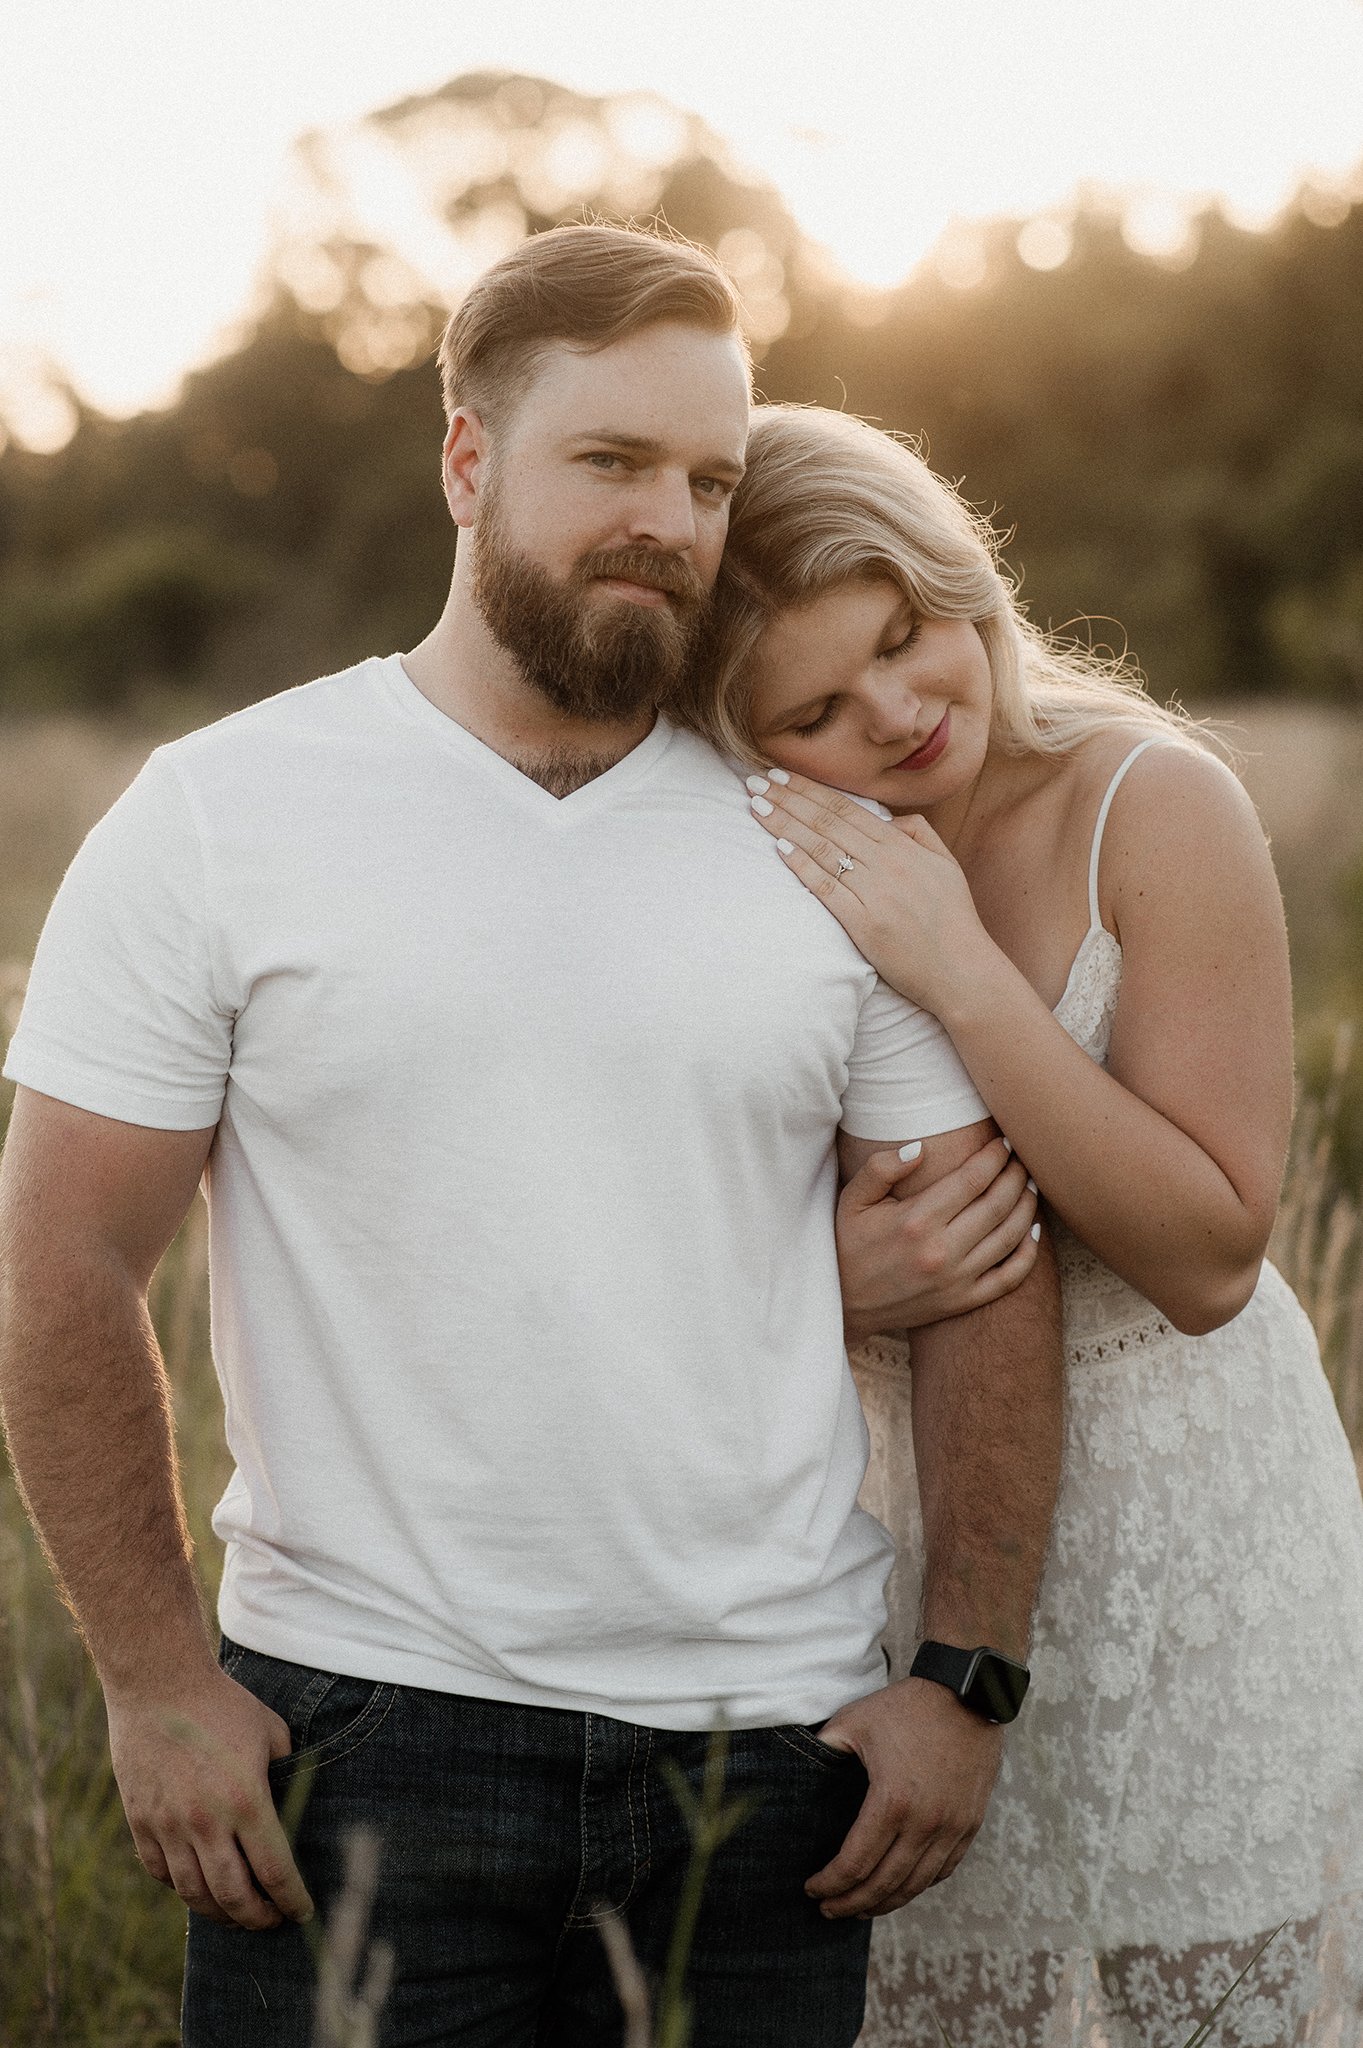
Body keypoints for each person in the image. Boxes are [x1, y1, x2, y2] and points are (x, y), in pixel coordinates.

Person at [0, 229, 1064, 2048]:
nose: (671, 516)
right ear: (468, 462)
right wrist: (159, 1679)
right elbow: (65, 1254)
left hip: (772, 1763)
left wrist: (962, 1679)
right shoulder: (218, 817)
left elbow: (983, 1274)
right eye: (613, 462)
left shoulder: (831, 846)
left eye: (712, 478)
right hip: (358, 1734)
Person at [672, 401, 1363, 2046]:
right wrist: (818, 1289)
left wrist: (963, 976)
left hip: (1194, 1537)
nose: (902, 713)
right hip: (912, 1529)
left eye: (907, 638)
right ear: (749, 749)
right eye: (820, 708)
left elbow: (1208, 1253)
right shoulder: (758, 874)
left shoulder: (1155, 802)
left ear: (954, 573)